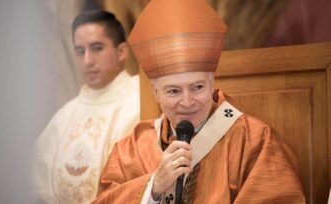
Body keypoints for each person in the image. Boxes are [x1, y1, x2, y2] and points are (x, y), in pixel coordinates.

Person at [94, 0, 305, 204]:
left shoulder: (256, 143)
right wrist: (154, 187)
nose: (187, 102)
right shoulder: (133, 149)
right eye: (174, 91)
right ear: (155, 92)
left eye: (197, 87)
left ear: (212, 82)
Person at [31, 10, 140, 203]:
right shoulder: (64, 116)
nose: (88, 60)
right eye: (80, 51)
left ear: (122, 51)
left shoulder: (142, 100)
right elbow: (34, 184)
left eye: (97, 48)